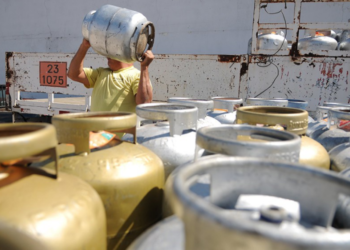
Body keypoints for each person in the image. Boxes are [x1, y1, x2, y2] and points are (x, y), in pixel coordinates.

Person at [67, 39, 154, 113]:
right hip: (97, 133)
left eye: (112, 52)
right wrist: (84, 47)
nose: (107, 55)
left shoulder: (137, 76)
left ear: (125, 54)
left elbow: (144, 104)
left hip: (123, 133)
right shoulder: (100, 73)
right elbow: (73, 74)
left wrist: (144, 67)